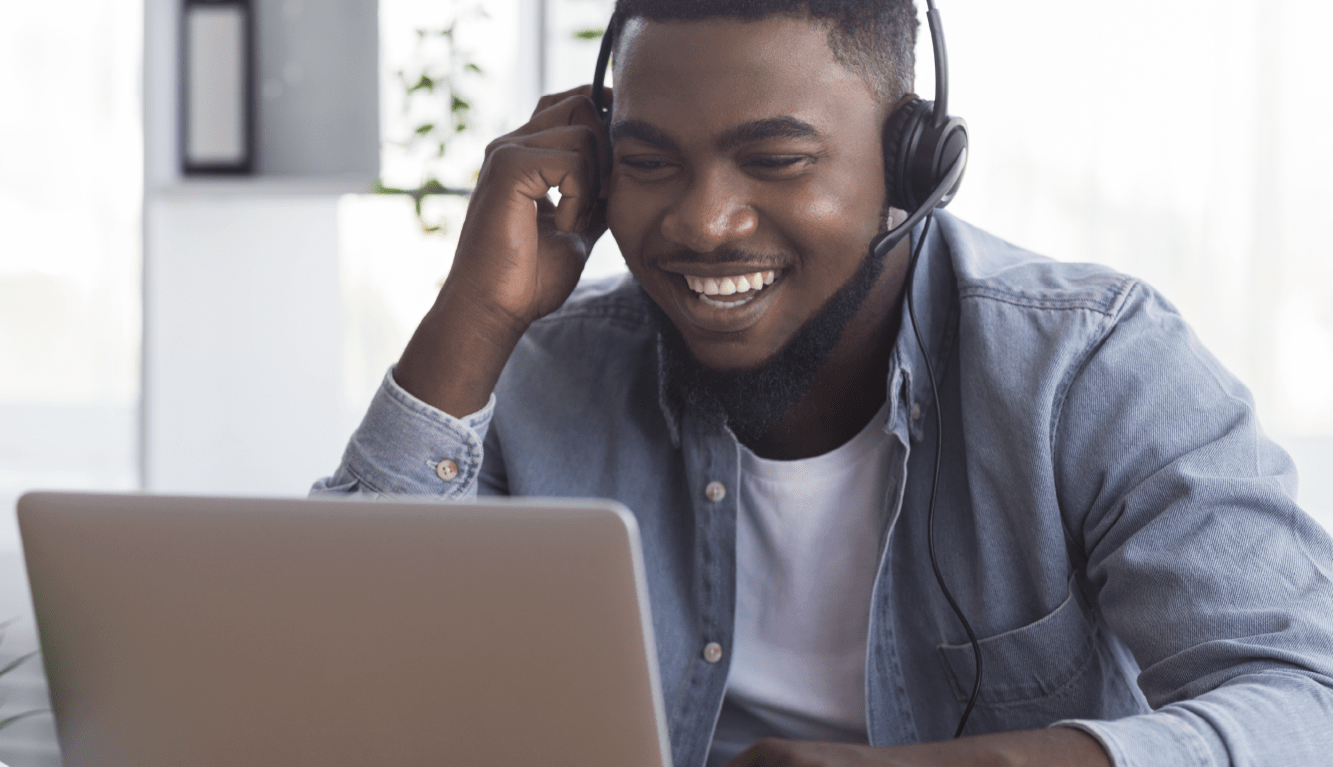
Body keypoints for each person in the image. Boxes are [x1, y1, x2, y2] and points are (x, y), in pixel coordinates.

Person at [312, 1, 1333, 765]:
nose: (704, 222)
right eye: (652, 162)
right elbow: (324, 684)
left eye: (776, 161)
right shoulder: (543, 371)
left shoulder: (1094, 364)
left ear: (914, 164)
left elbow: (1303, 696)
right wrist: (476, 314)